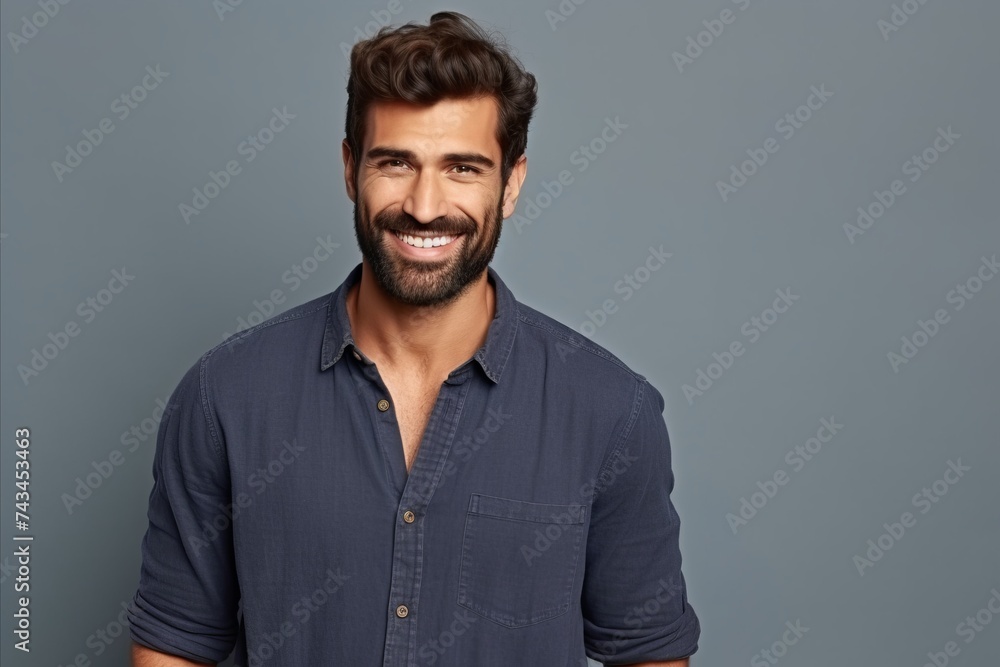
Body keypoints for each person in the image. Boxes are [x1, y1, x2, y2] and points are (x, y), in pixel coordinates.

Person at [128, 11, 700, 666]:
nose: (425, 205)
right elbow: (173, 645)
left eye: (462, 168)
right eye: (396, 162)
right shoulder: (224, 397)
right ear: (350, 169)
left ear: (510, 183)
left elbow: (649, 654)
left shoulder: (609, 413)